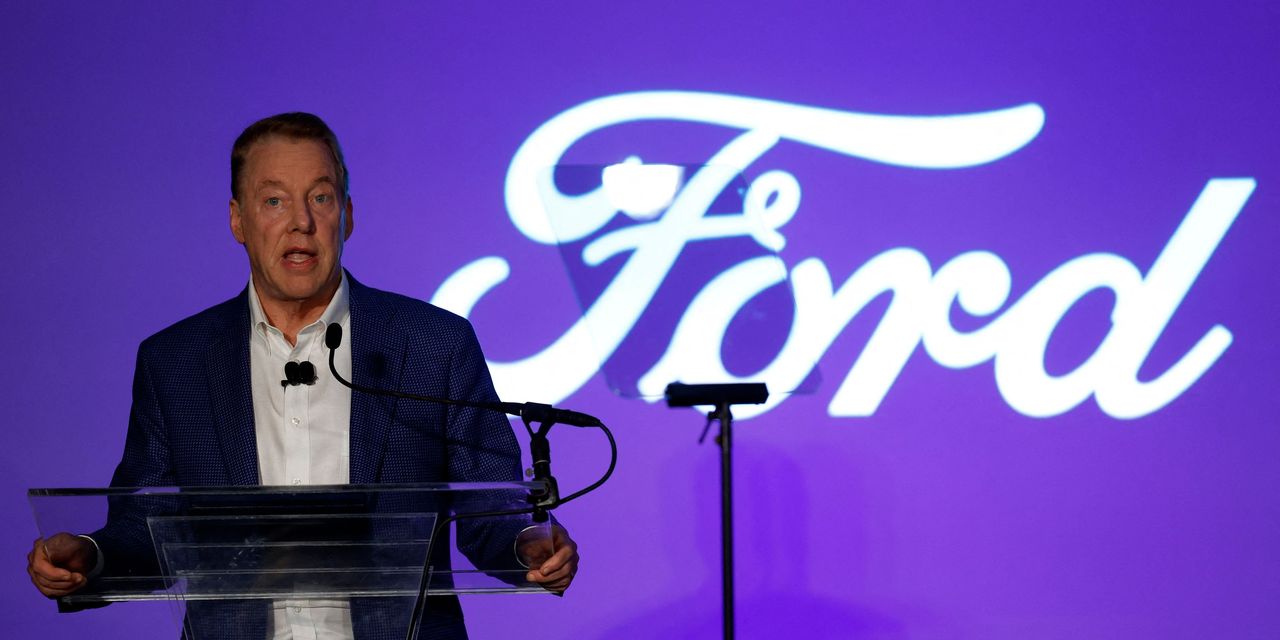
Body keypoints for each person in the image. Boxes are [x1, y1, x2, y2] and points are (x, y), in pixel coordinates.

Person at [27, 112, 578, 639]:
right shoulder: (176, 362)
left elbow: (490, 509)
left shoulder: (433, 345)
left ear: (347, 216)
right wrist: (87, 555)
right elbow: (146, 527)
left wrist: (529, 544)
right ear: (238, 221)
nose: (301, 221)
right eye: (274, 200)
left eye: (320, 197)